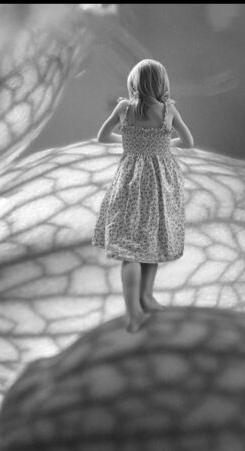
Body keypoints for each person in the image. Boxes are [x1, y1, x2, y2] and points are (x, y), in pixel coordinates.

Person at [92, 59, 194, 332]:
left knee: (130, 250)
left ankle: (136, 310)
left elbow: (102, 137)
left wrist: (130, 142)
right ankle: (145, 297)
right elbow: (188, 142)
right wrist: (163, 145)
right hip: (160, 182)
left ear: (134, 83)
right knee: (152, 239)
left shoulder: (124, 108)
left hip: (129, 181)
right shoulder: (168, 110)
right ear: (162, 84)